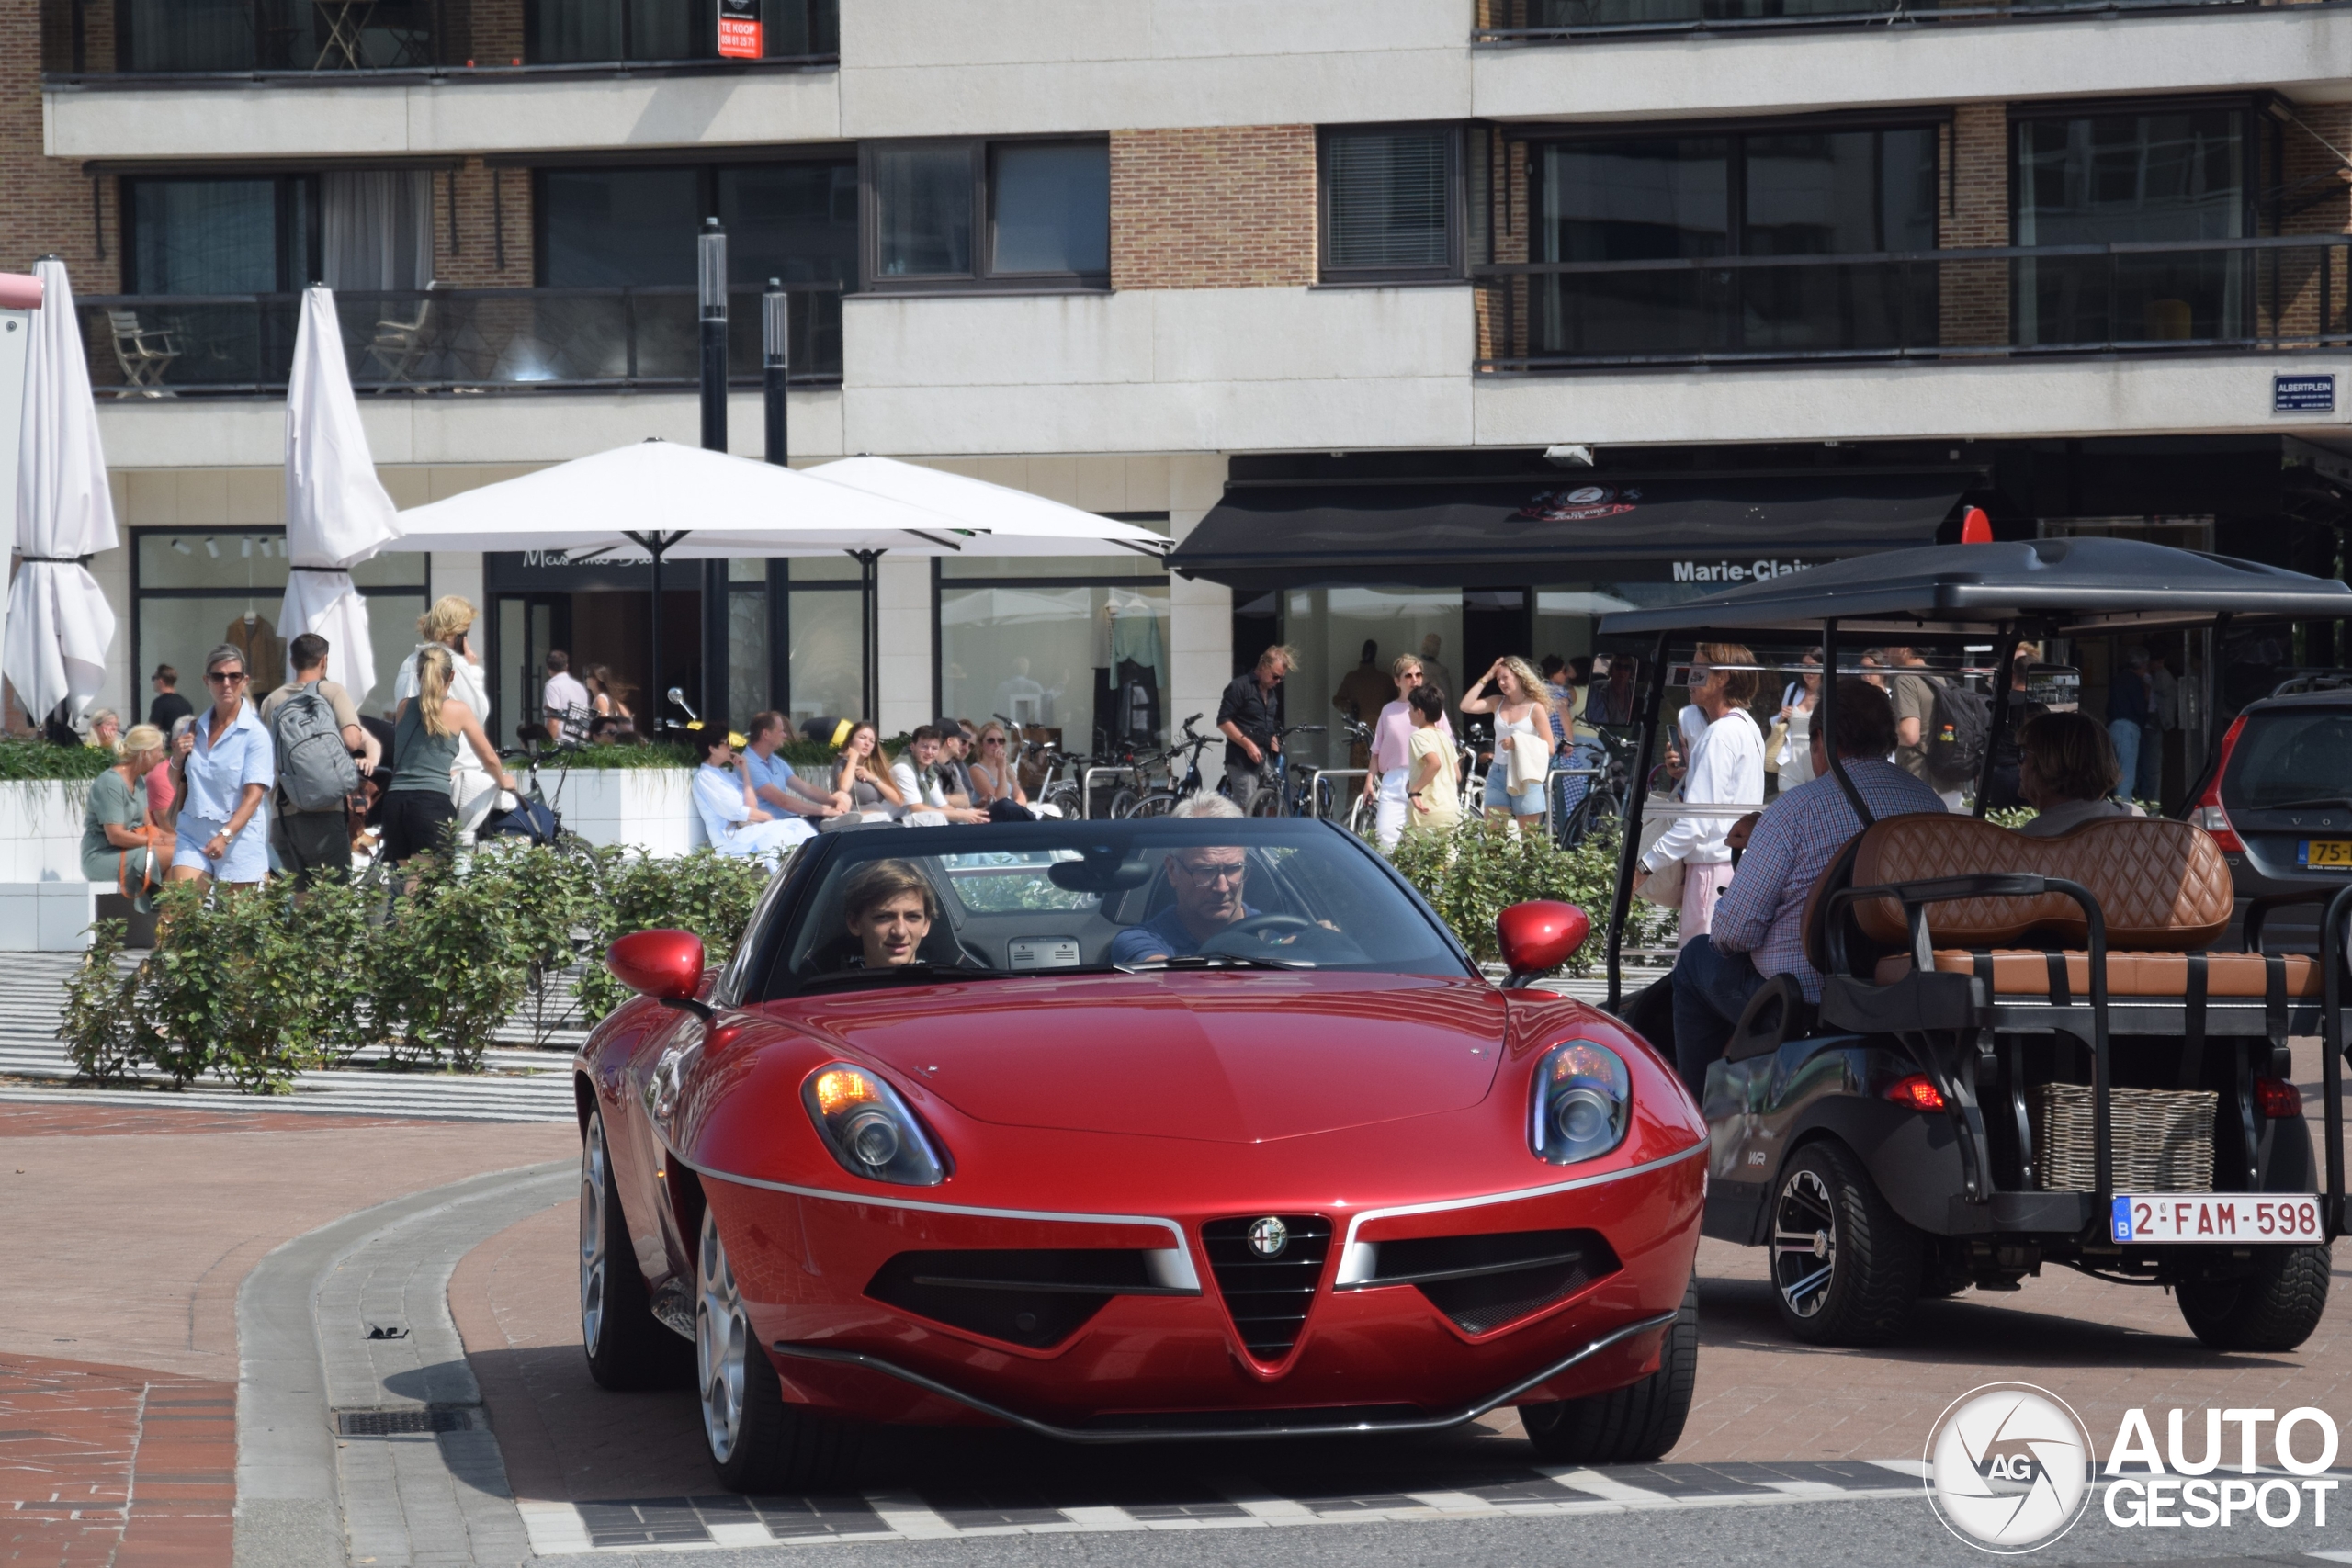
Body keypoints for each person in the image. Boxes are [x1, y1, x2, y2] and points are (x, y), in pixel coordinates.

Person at [1668, 680, 1946, 1098]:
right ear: (1886, 737)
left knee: (1694, 959)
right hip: (1900, 993)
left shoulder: (1793, 812)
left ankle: (1692, 1119)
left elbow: (1732, 934)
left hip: (1800, 1002)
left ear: (1821, 741)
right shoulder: (1930, 804)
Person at [1635, 644, 1766, 946]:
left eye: (1698, 670)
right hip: (1734, 865)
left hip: (1711, 868)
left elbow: (1696, 824)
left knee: (1696, 971)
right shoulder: (1747, 726)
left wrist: (1644, 867)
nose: (1688, 679)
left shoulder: (1719, 734)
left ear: (1723, 678)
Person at [381, 645, 515, 868]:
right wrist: (503, 781)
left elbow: (413, 751)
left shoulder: (404, 706)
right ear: (451, 676)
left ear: (418, 675)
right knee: (425, 883)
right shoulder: (458, 710)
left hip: (395, 803)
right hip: (429, 804)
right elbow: (489, 758)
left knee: (410, 878)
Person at [260, 632, 367, 889]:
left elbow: (266, 760)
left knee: (301, 895)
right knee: (334, 894)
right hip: (325, 813)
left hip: (283, 816)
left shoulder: (272, 701)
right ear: (324, 660)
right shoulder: (331, 691)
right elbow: (352, 740)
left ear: (292, 661)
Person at [166, 645, 276, 889]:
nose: (226, 683)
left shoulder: (255, 735)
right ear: (207, 681)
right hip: (193, 832)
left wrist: (226, 836)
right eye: (218, 676)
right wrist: (177, 757)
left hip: (239, 838)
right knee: (179, 913)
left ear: (244, 681)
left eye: (234, 676)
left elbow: (253, 797)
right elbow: (178, 783)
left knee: (236, 924)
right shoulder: (193, 728)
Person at [1104, 794, 1257, 963]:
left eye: (1233, 869)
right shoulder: (1140, 943)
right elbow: (1163, 980)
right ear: (1171, 870)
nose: (1222, 887)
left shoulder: (1277, 933)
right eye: (1205, 871)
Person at [392, 595, 497, 831]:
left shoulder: (410, 663)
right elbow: (478, 714)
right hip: (456, 772)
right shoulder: (454, 666)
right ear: (457, 634)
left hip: (413, 773)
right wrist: (473, 670)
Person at [83, 723, 174, 908]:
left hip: (130, 850)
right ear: (144, 753)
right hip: (102, 856)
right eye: (159, 751)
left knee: (185, 853)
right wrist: (161, 843)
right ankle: (168, 919)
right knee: (176, 855)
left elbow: (149, 826)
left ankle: (167, 919)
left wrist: (175, 839)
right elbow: (115, 836)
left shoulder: (139, 781)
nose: (162, 756)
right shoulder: (111, 783)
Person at [1460, 655, 1555, 830]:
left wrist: (1517, 742)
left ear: (1518, 677)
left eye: (1505, 677)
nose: (1502, 683)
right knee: (1493, 838)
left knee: (1530, 841)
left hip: (1524, 774)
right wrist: (1486, 677)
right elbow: (1466, 706)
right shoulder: (1497, 702)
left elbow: (1549, 748)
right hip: (1498, 772)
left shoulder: (1536, 708)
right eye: (1498, 679)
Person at [1363, 652, 1447, 850]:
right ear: (1397, 681)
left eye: (1418, 675)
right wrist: (1369, 781)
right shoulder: (1388, 711)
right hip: (1393, 781)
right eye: (1408, 676)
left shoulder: (1434, 710)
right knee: (1386, 841)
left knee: (1425, 845)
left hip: (1425, 780)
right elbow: (1377, 751)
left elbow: (1447, 746)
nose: (1414, 680)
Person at [2017, 711, 2143, 837]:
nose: (2019, 764)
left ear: (2047, 764)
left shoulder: (2018, 842)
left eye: (2022, 754)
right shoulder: (2135, 820)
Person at [694, 732, 817, 861]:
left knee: (797, 825)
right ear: (712, 748)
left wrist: (745, 771)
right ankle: (789, 875)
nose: (730, 748)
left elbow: (751, 806)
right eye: (726, 743)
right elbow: (733, 812)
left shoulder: (727, 775)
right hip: (730, 838)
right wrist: (765, 816)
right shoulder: (705, 777)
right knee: (785, 830)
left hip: (746, 833)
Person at [1873, 645, 1954, 806]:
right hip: (1950, 778)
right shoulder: (1941, 677)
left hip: (1919, 778)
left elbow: (1909, 734)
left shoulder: (1905, 680)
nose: (1885, 653)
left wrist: (1879, 733)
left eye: (1889, 647)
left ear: (1905, 649)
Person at [1217, 646, 1294, 812]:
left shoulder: (1272, 695)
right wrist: (1247, 744)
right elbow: (1223, 721)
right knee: (1246, 807)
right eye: (1275, 676)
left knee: (1274, 803)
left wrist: (1276, 743)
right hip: (1242, 760)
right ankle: (1243, 838)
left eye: (1281, 678)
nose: (1278, 682)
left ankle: (1271, 837)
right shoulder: (1240, 686)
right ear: (1264, 666)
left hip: (1264, 757)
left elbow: (1268, 725)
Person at [741, 711, 850, 822]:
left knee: (842, 798)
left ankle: (832, 822)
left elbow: (806, 788)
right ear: (766, 734)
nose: (785, 735)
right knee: (826, 823)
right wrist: (825, 812)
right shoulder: (748, 764)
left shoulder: (774, 760)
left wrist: (835, 801)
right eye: (781, 731)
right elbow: (783, 801)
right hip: (772, 826)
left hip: (790, 821)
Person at [840, 859, 941, 968]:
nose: (900, 932)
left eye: (913, 917)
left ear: (925, 924)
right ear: (854, 923)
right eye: (884, 917)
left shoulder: (948, 983)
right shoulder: (837, 985)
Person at [1982, 640, 2046, 810]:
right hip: (2036, 771)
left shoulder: (1996, 704)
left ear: (2012, 675)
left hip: (2001, 773)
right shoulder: (2043, 706)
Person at [1402, 682, 1461, 843]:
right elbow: (1457, 775)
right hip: (1451, 810)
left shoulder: (1418, 737)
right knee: (1446, 863)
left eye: (1410, 708)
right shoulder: (1445, 737)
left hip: (1427, 811)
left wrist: (1415, 790)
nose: (1408, 712)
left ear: (1419, 712)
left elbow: (1434, 763)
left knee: (1414, 861)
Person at [890, 727, 988, 823]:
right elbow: (917, 809)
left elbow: (943, 806)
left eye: (934, 748)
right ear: (912, 747)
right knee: (937, 818)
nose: (929, 752)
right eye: (924, 746)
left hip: (904, 824)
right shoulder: (903, 769)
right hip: (886, 825)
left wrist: (972, 815)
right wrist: (961, 815)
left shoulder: (929, 773)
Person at [967, 721, 1062, 818]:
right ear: (981, 744)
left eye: (1001, 741)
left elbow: (1021, 798)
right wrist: (1001, 769)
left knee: (1052, 809)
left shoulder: (1006, 767)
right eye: (991, 741)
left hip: (1011, 812)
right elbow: (998, 802)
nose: (996, 744)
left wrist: (1016, 809)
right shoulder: (976, 770)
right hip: (993, 817)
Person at [1331, 639, 1391, 769]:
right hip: (1359, 734)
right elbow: (1337, 700)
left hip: (1380, 734)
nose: (1367, 653)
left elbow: (1397, 702)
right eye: (1366, 649)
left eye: (1371, 650)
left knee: (1379, 774)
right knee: (1358, 776)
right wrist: (1350, 707)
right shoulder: (1352, 678)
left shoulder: (1385, 680)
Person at [2106, 647, 2154, 806]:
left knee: (2116, 772)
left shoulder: (2118, 679)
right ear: (2142, 665)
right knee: (2126, 776)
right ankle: (2122, 814)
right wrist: (2146, 696)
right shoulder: (2135, 681)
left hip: (2113, 727)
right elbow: (2140, 709)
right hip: (2128, 729)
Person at [834, 720, 909, 816]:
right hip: (856, 820)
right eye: (862, 738)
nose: (867, 743)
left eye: (872, 741)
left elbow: (898, 801)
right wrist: (853, 757)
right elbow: (844, 787)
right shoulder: (842, 763)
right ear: (851, 741)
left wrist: (873, 779)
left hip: (879, 820)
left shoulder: (874, 767)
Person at [1775, 652, 1821, 788]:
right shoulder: (1793, 689)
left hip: (1818, 758)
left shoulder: (1830, 692)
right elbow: (1780, 723)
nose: (1808, 672)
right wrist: (1782, 717)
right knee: (1787, 805)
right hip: (1791, 759)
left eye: (1813, 667)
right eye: (1804, 666)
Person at [542, 650, 591, 743]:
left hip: (561, 745)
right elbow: (586, 718)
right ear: (566, 666)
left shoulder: (552, 686)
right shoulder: (580, 687)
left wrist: (547, 745)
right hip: (580, 743)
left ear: (548, 668)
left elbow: (553, 719)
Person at [583, 665, 635, 740]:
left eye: (587, 676)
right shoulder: (611, 698)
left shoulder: (600, 699)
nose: (586, 680)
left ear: (594, 680)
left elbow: (603, 720)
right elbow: (628, 718)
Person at [146, 665, 193, 734]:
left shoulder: (160, 703)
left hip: (166, 743)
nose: (153, 682)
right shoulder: (186, 703)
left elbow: (152, 730)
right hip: (183, 743)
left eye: (154, 678)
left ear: (160, 681)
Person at [1418, 634, 1455, 717]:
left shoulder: (1441, 671)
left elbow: (1448, 703)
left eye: (1435, 644)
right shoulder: (1415, 668)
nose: (1430, 645)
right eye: (1428, 642)